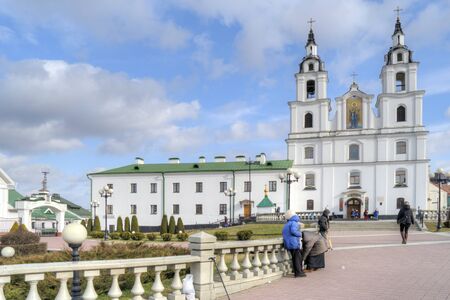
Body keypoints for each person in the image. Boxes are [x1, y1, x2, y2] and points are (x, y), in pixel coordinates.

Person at [282, 210, 306, 277]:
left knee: (295, 258)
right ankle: (298, 273)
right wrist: (301, 234)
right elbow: (293, 231)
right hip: (294, 243)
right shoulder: (294, 223)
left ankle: (297, 272)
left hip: (289, 243)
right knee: (297, 259)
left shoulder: (287, 224)